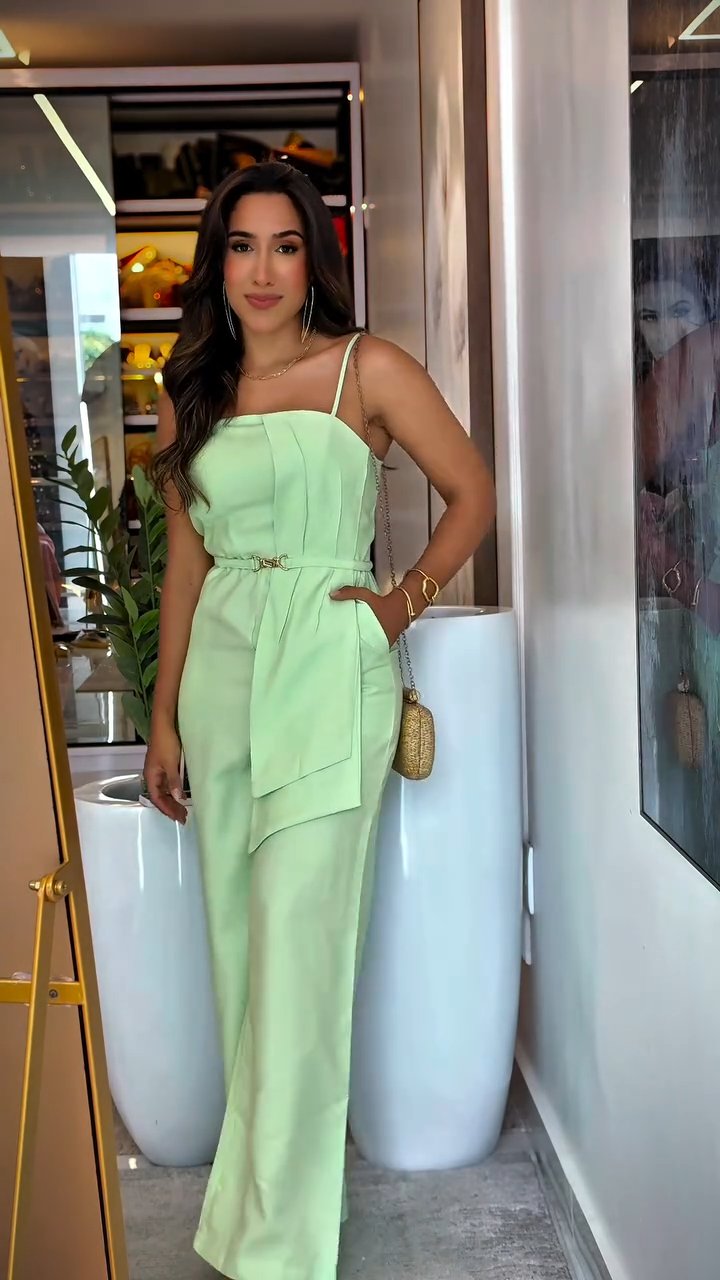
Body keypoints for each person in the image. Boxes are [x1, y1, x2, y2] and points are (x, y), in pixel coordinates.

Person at [143, 161, 495, 1280]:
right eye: (242, 246)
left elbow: (473, 492)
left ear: (314, 262)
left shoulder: (365, 367)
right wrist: (164, 715)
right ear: (218, 264)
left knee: (301, 957)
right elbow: (186, 565)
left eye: (285, 246)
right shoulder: (191, 390)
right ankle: (253, 1221)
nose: (262, 270)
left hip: (329, 670)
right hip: (223, 680)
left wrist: (399, 605)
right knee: (241, 960)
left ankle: (278, 1250)